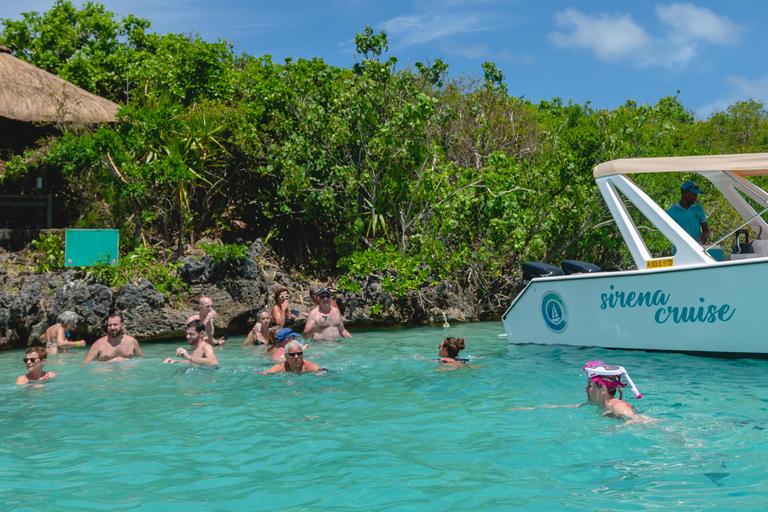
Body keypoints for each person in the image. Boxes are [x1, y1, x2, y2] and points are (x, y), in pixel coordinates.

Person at [508, 360, 642, 419]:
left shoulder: (617, 406)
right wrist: (535, 409)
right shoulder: (595, 404)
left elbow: (638, 421)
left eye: (590, 385)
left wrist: (615, 429)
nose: (585, 389)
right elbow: (570, 407)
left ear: (602, 390)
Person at [257, 339, 322, 374]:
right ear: (286, 356)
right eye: (292, 354)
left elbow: (322, 371)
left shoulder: (308, 366)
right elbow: (266, 373)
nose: (296, 357)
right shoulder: (281, 368)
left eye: (299, 353)